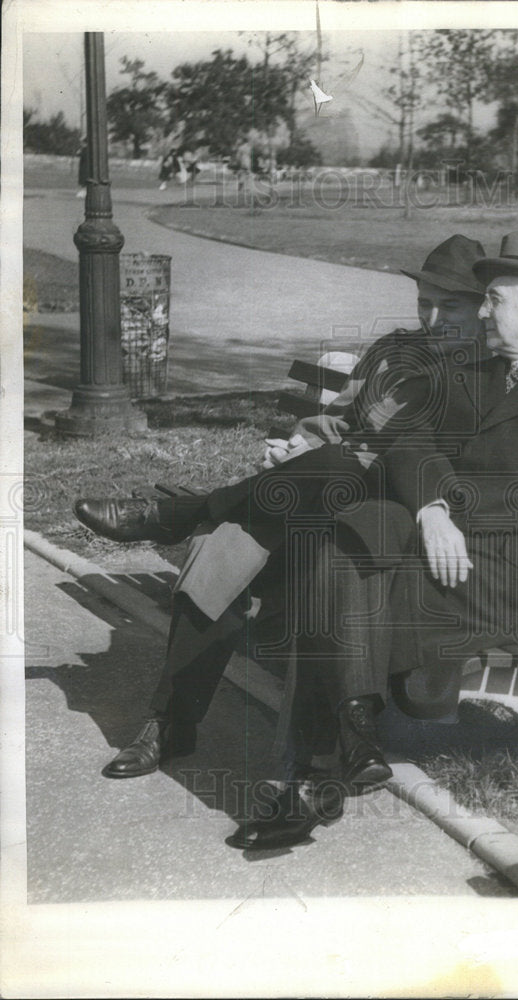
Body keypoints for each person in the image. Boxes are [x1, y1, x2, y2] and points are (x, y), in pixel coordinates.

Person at [73, 236, 488, 804]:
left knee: (297, 490)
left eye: (453, 307)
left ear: (486, 304)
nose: (434, 318)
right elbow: (338, 418)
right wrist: (296, 446)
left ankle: (181, 510)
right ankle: (171, 723)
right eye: (425, 302)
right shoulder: (394, 350)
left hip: (388, 521)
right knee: (226, 542)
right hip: (317, 486)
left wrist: (319, 459)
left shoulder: (483, 374)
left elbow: (426, 459)